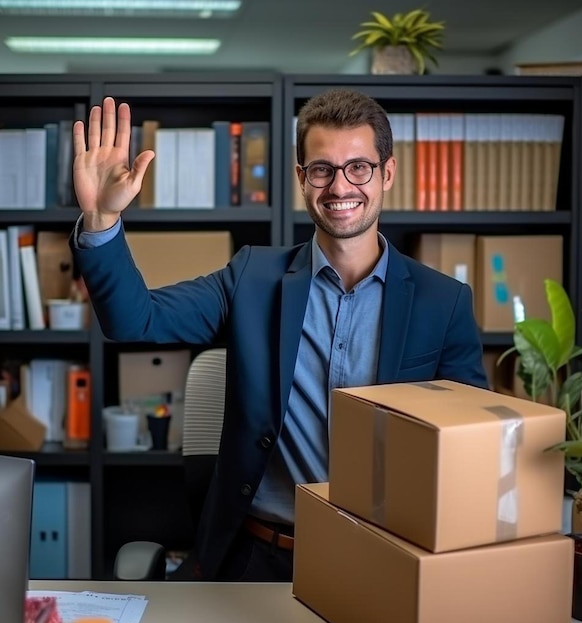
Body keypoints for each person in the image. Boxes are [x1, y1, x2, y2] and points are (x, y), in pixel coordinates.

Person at [70, 88, 488, 583]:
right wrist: (102, 220)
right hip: (259, 556)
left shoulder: (443, 302)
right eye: (321, 169)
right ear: (301, 178)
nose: (340, 187)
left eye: (359, 167)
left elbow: (470, 450)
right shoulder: (252, 278)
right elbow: (134, 320)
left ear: (387, 174)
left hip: (386, 559)